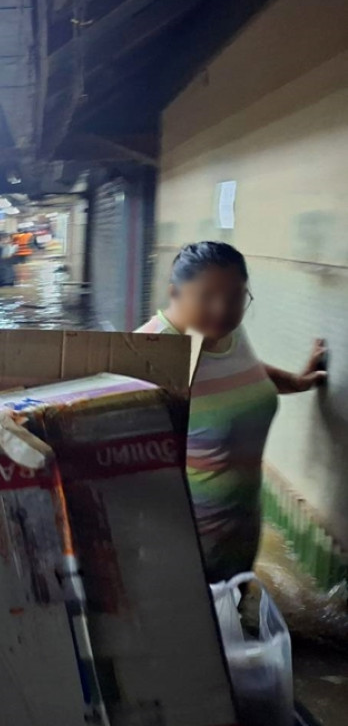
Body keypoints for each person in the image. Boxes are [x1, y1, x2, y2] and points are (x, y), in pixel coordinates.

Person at [139, 241, 327, 582]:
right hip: (183, 545)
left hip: (242, 528)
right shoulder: (150, 350)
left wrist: (297, 382)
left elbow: (246, 373)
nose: (223, 309)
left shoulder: (229, 333)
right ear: (175, 292)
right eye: (207, 297)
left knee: (238, 606)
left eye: (236, 297)